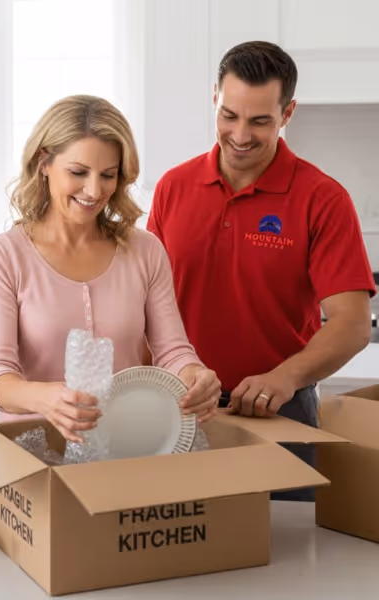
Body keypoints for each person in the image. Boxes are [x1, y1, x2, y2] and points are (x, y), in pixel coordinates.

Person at [147, 41, 375, 498]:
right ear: (215, 96)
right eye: (229, 115)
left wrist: (283, 378)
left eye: (259, 120)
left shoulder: (323, 199)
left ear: (287, 112)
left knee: (289, 557)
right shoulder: (173, 187)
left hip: (279, 413)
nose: (240, 134)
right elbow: (145, 302)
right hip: (179, 409)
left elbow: (351, 325)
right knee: (181, 551)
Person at [0, 95, 221, 443]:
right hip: (32, 452)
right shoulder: (2, 257)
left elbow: (171, 350)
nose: (94, 190)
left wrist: (195, 374)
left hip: (130, 447)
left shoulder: (145, 251)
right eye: (78, 172)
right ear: (44, 162)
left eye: (108, 175)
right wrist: (47, 399)